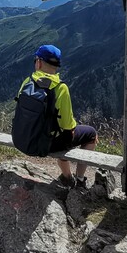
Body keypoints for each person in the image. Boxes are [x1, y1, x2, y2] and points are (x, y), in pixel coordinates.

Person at [18, 44, 98, 187]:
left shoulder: (27, 82)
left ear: (39, 62)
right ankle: (78, 179)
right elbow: (67, 125)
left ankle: (67, 177)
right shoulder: (61, 88)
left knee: (62, 133)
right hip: (48, 144)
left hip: (24, 137)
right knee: (90, 133)